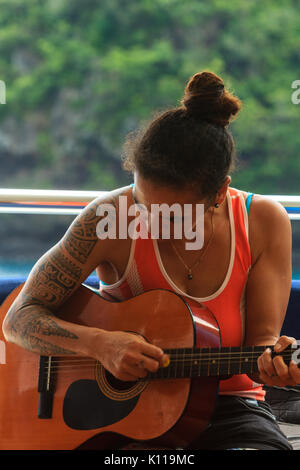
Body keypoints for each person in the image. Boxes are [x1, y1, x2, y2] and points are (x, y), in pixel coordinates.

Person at [2, 71, 300, 450]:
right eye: (144, 205)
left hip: (229, 410)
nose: (149, 223)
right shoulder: (108, 218)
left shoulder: (264, 222)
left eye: (173, 215)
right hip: (123, 419)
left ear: (220, 193)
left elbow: (263, 343)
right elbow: (19, 318)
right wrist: (101, 345)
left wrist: (277, 367)